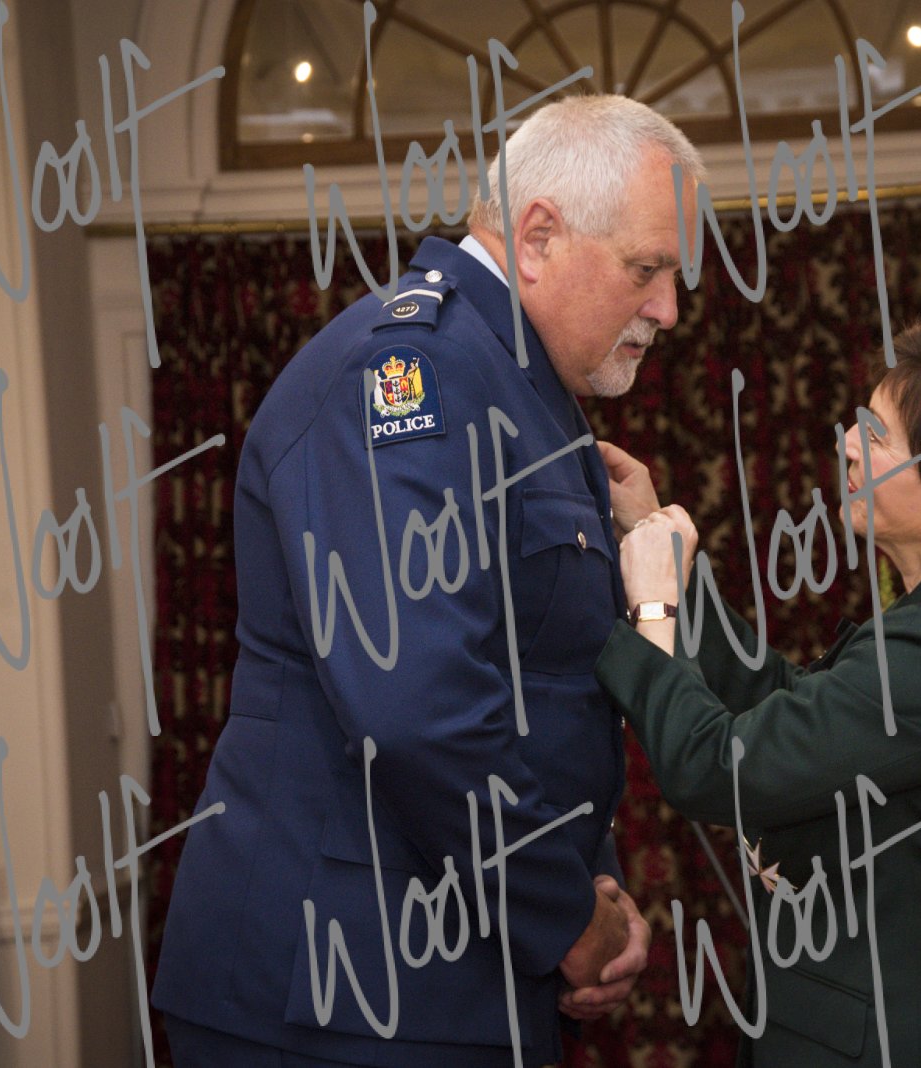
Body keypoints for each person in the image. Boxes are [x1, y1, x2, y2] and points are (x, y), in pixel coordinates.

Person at [152, 95, 704, 1067]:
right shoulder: (414, 375)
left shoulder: (521, 388)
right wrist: (564, 917)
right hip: (344, 989)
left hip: (450, 969)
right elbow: (417, 707)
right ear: (538, 236)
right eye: (645, 269)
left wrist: (587, 893)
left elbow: (549, 687)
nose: (666, 308)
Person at [597, 317, 921, 1066]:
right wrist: (655, 540)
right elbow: (796, 712)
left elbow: (721, 768)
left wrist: (652, 613)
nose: (848, 446)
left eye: (878, 436)